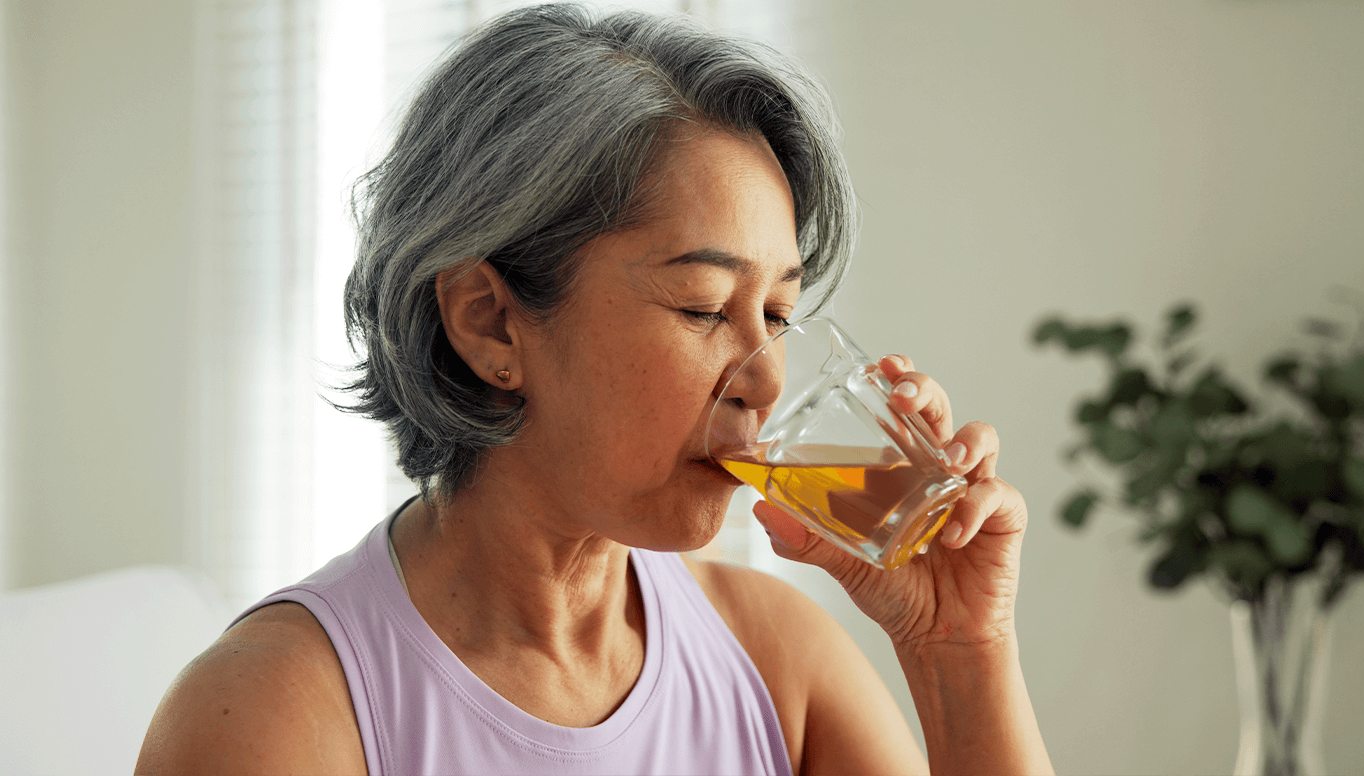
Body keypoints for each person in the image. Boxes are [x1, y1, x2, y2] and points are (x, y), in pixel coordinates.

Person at [137, 5, 1054, 774]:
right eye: (704, 307)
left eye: (777, 313)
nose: (769, 378)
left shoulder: (777, 661)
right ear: (491, 324)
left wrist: (959, 652)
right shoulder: (276, 711)